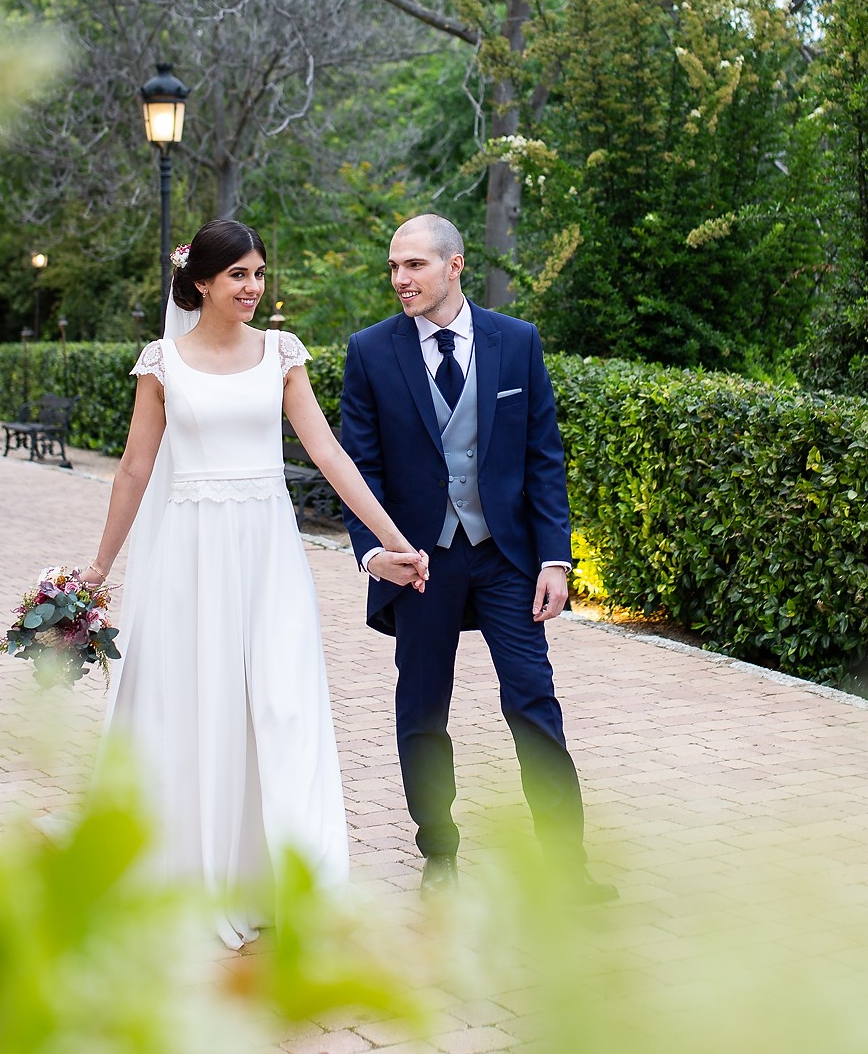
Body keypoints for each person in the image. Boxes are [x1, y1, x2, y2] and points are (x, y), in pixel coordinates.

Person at [83, 218, 428, 949]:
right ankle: (196, 874)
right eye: (238, 274)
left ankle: (293, 882)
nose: (253, 287)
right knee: (199, 704)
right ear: (201, 282)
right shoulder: (162, 365)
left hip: (269, 553)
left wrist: (393, 541)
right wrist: (99, 568)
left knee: (282, 703)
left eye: (259, 273)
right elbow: (135, 470)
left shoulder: (281, 354)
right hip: (190, 554)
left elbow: (329, 453)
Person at [338, 214, 614, 901]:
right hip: (419, 562)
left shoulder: (515, 341)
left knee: (533, 700)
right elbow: (359, 467)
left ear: (454, 265)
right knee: (422, 709)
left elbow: (543, 456)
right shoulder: (370, 352)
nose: (401, 279)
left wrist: (555, 559)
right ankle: (439, 854)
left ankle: (564, 863)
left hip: (504, 557)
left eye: (415, 265)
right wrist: (374, 553)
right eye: (394, 266)